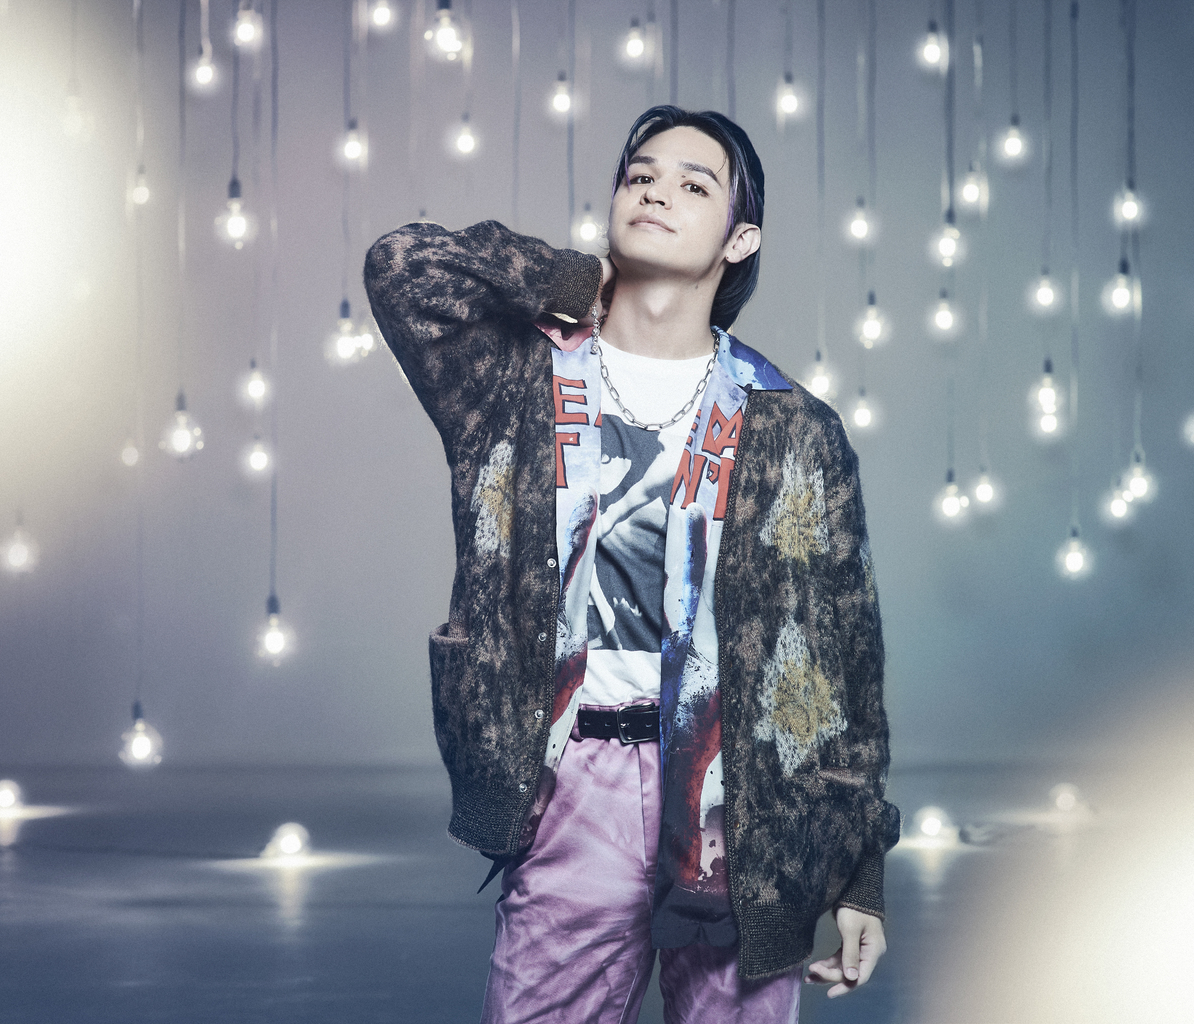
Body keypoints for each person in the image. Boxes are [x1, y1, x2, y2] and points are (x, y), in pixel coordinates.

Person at [364, 105, 899, 1024]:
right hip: (573, 785)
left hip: (747, 806)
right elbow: (402, 267)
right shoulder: (515, 381)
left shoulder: (792, 425)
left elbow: (843, 662)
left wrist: (861, 877)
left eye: (694, 184)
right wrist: (575, 278)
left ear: (740, 239)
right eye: (639, 176)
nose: (656, 191)